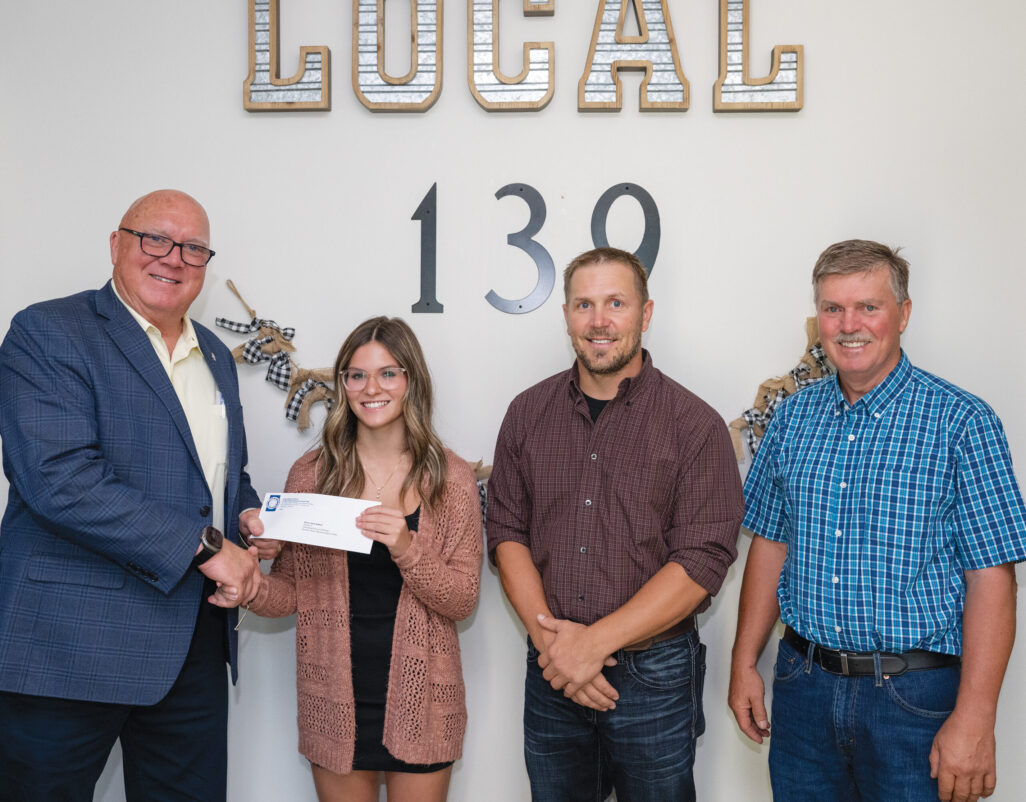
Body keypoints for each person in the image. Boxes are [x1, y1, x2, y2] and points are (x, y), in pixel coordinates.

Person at [0, 189, 274, 801]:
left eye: (193, 248)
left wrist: (247, 517)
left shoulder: (216, 357)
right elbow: (61, 482)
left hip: (193, 645)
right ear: (117, 244)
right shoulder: (48, 332)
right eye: (156, 239)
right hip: (66, 648)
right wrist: (209, 548)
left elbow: (222, 474)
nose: (174, 258)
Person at [729, 240, 1026, 802]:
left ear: (903, 313)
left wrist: (977, 719)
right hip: (804, 687)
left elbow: (993, 578)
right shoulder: (792, 416)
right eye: (833, 309)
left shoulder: (962, 423)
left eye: (868, 306)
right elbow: (770, 543)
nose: (849, 325)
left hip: (914, 700)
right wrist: (745, 661)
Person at [487, 247, 745, 802]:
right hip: (551, 666)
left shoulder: (695, 426)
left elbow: (703, 559)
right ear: (565, 315)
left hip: (655, 677)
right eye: (584, 304)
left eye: (615, 303)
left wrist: (592, 645)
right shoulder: (527, 414)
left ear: (646, 314)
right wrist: (556, 648)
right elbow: (507, 531)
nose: (598, 320)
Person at [246, 316, 482, 802]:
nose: (371, 387)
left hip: (424, 706)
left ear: (411, 380)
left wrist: (406, 548)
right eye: (356, 375)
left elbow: (463, 599)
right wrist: (249, 585)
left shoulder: (451, 478)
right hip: (331, 703)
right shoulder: (310, 474)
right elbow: (291, 591)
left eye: (388, 373)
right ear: (343, 384)